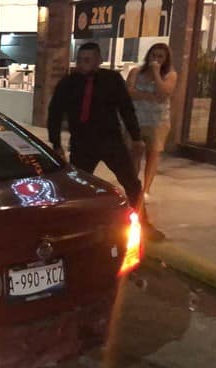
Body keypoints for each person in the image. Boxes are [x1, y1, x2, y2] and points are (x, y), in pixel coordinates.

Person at [48, 42, 164, 240]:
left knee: (131, 183)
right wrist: (56, 144)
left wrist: (136, 137)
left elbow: (126, 108)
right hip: (82, 143)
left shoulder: (111, 80)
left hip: (110, 140)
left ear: (98, 60)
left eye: (88, 60)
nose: (83, 64)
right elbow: (55, 113)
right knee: (78, 186)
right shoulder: (68, 83)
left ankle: (142, 222)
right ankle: (78, 223)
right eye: (81, 59)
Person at [127, 43, 177, 200]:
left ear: (166, 59)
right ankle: (133, 187)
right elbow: (129, 91)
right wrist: (150, 96)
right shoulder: (136, 71)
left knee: (153, 154)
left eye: (160, 56)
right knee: (134, 152)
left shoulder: (170, 75)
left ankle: (146, 189)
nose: (156, 59)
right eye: (153, 55)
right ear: (148, 55)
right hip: (137, 118)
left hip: (157, 121)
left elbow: (164, 93)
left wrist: (156, 73)